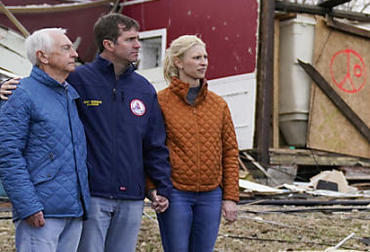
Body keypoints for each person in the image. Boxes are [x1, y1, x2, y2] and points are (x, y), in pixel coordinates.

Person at [2, 14, 175, 251]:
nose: (75, 53)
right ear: (109, 44)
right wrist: (4, 87)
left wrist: (158, 185)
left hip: (106, 202)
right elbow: (10, 149)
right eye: (130, 39)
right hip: (76, 201)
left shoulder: (139, 89)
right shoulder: (74, 83)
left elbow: (153, 144)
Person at [0, 29, 91, 251]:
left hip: (73, 210)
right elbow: (8, 153)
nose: (75, 53)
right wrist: (28, 205)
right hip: (41, 211)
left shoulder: (70, 94)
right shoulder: (21, 93)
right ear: (43, 56)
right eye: (66, 48)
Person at [155, 35, 239, 251]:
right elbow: (151, 149)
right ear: (179, 62)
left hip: (211, 195)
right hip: (175, 193)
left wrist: (230, 197)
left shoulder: (218, 105)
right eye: (197, 57)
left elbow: (229, 152)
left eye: (205, 57)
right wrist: (152, 188)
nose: (204, 62)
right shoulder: (160, 102)